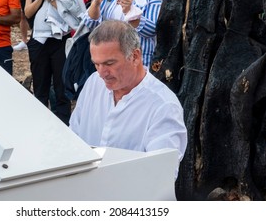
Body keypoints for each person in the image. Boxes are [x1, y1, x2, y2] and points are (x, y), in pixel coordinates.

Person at [69, 20, 187, 171]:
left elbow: (159, 175)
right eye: (96, 64)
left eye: (109, 63)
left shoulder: (163, 106)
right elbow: (74, 137)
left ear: (135, 56)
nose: (101, 73)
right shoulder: (93, 83)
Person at [25, 0, 81, 125]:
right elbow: (27, 13)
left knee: (60, 87)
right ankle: (39, 125)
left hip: (59, 41)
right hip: (38, 42)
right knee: (40, 87)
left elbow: (71, 11)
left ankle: (63, 125)